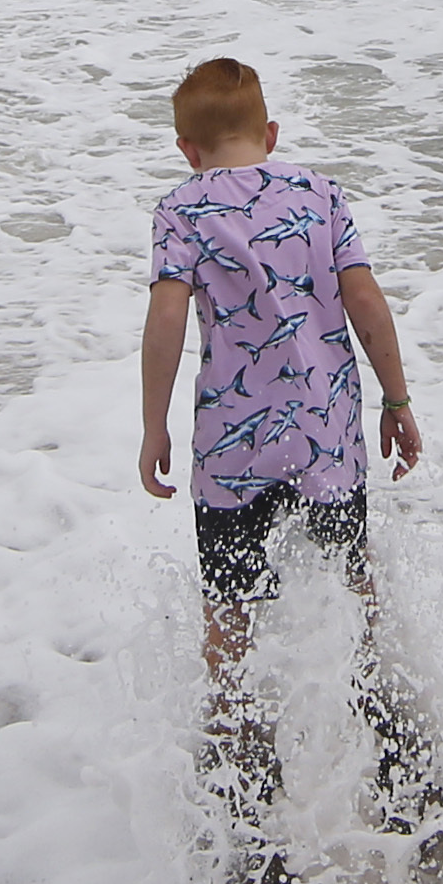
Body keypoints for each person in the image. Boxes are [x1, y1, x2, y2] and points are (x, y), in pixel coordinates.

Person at [136, 57, 422, 842]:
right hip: (325, 434)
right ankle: (378, 706)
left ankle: (237, 756)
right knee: (352, 575)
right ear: (270, 134)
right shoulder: (320, 193)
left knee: (229, 609)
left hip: (232, 447)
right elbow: (364, 300)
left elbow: (165, 323)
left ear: (185, 149)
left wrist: (154, 425)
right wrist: (396, 400)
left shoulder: (180, 209)